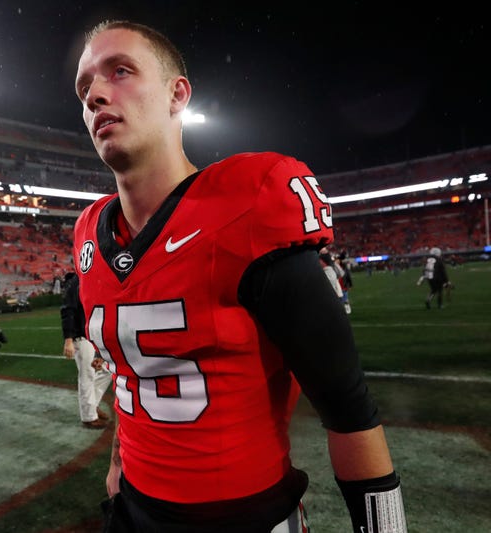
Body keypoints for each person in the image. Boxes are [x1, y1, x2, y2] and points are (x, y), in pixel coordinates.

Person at [72, 20, 407, 532]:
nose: (95, 94)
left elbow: (349, 410)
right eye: (84, 87)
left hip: (243, 519)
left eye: (119, 71)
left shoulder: (247, 202)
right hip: (135, 510)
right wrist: (120, 462)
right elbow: (130, 371)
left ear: (176, 94)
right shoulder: (89, 233)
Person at [60, 271, 112, 429]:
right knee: (86, 376)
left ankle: (92, 405)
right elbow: (67, 311)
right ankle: (89, 417)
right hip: (80, 337)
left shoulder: (86, 278)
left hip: (89, 335)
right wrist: (68, 339)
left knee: (106, 370)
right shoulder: (75, 282)